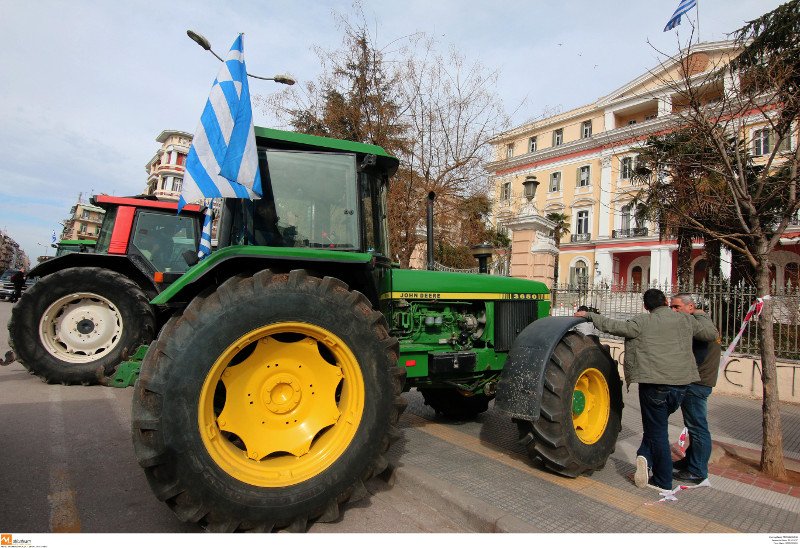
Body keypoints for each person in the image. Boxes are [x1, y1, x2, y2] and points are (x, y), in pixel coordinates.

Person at [575, 288, 718, 491]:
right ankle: (645, 456)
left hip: (655, 386)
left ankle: (662, 480)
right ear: (666, 302)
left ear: (645, 306)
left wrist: (590, 316)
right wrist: (699, 313)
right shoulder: (686, 320)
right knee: (656, 428)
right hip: (681, 387)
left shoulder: (642, 322)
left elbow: (614, 326)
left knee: (657, 431)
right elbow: (710, 333)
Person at [670, 293, 722, 485]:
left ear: (690, 307)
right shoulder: (703, 321)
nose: (673, 311)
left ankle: (697, 470)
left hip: (696, 383)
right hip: (699, 382)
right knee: (694, 426)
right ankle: (690, 462)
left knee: (698, 428)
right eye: (671, 307)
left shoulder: (700, 327)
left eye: (677, 307)